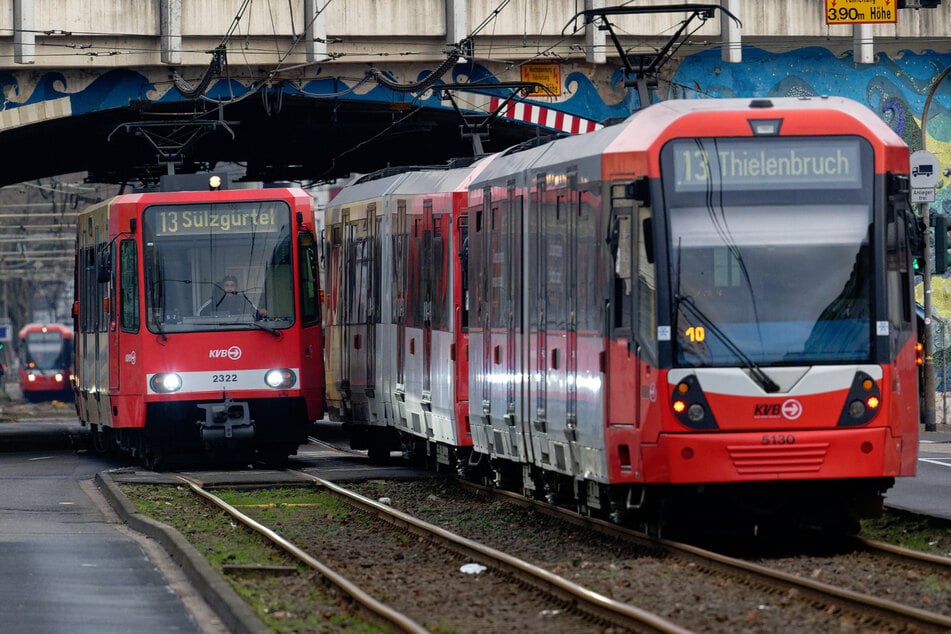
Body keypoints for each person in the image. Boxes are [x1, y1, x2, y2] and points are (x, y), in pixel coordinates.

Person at [199, 275, 268, 319]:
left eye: (232, 286)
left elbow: (256, 314)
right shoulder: (214, 301)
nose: (229, 289)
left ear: (236, 287)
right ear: (223, 288)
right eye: (227, 286)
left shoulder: (243, 300)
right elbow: (200, 315)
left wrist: (261, 313)